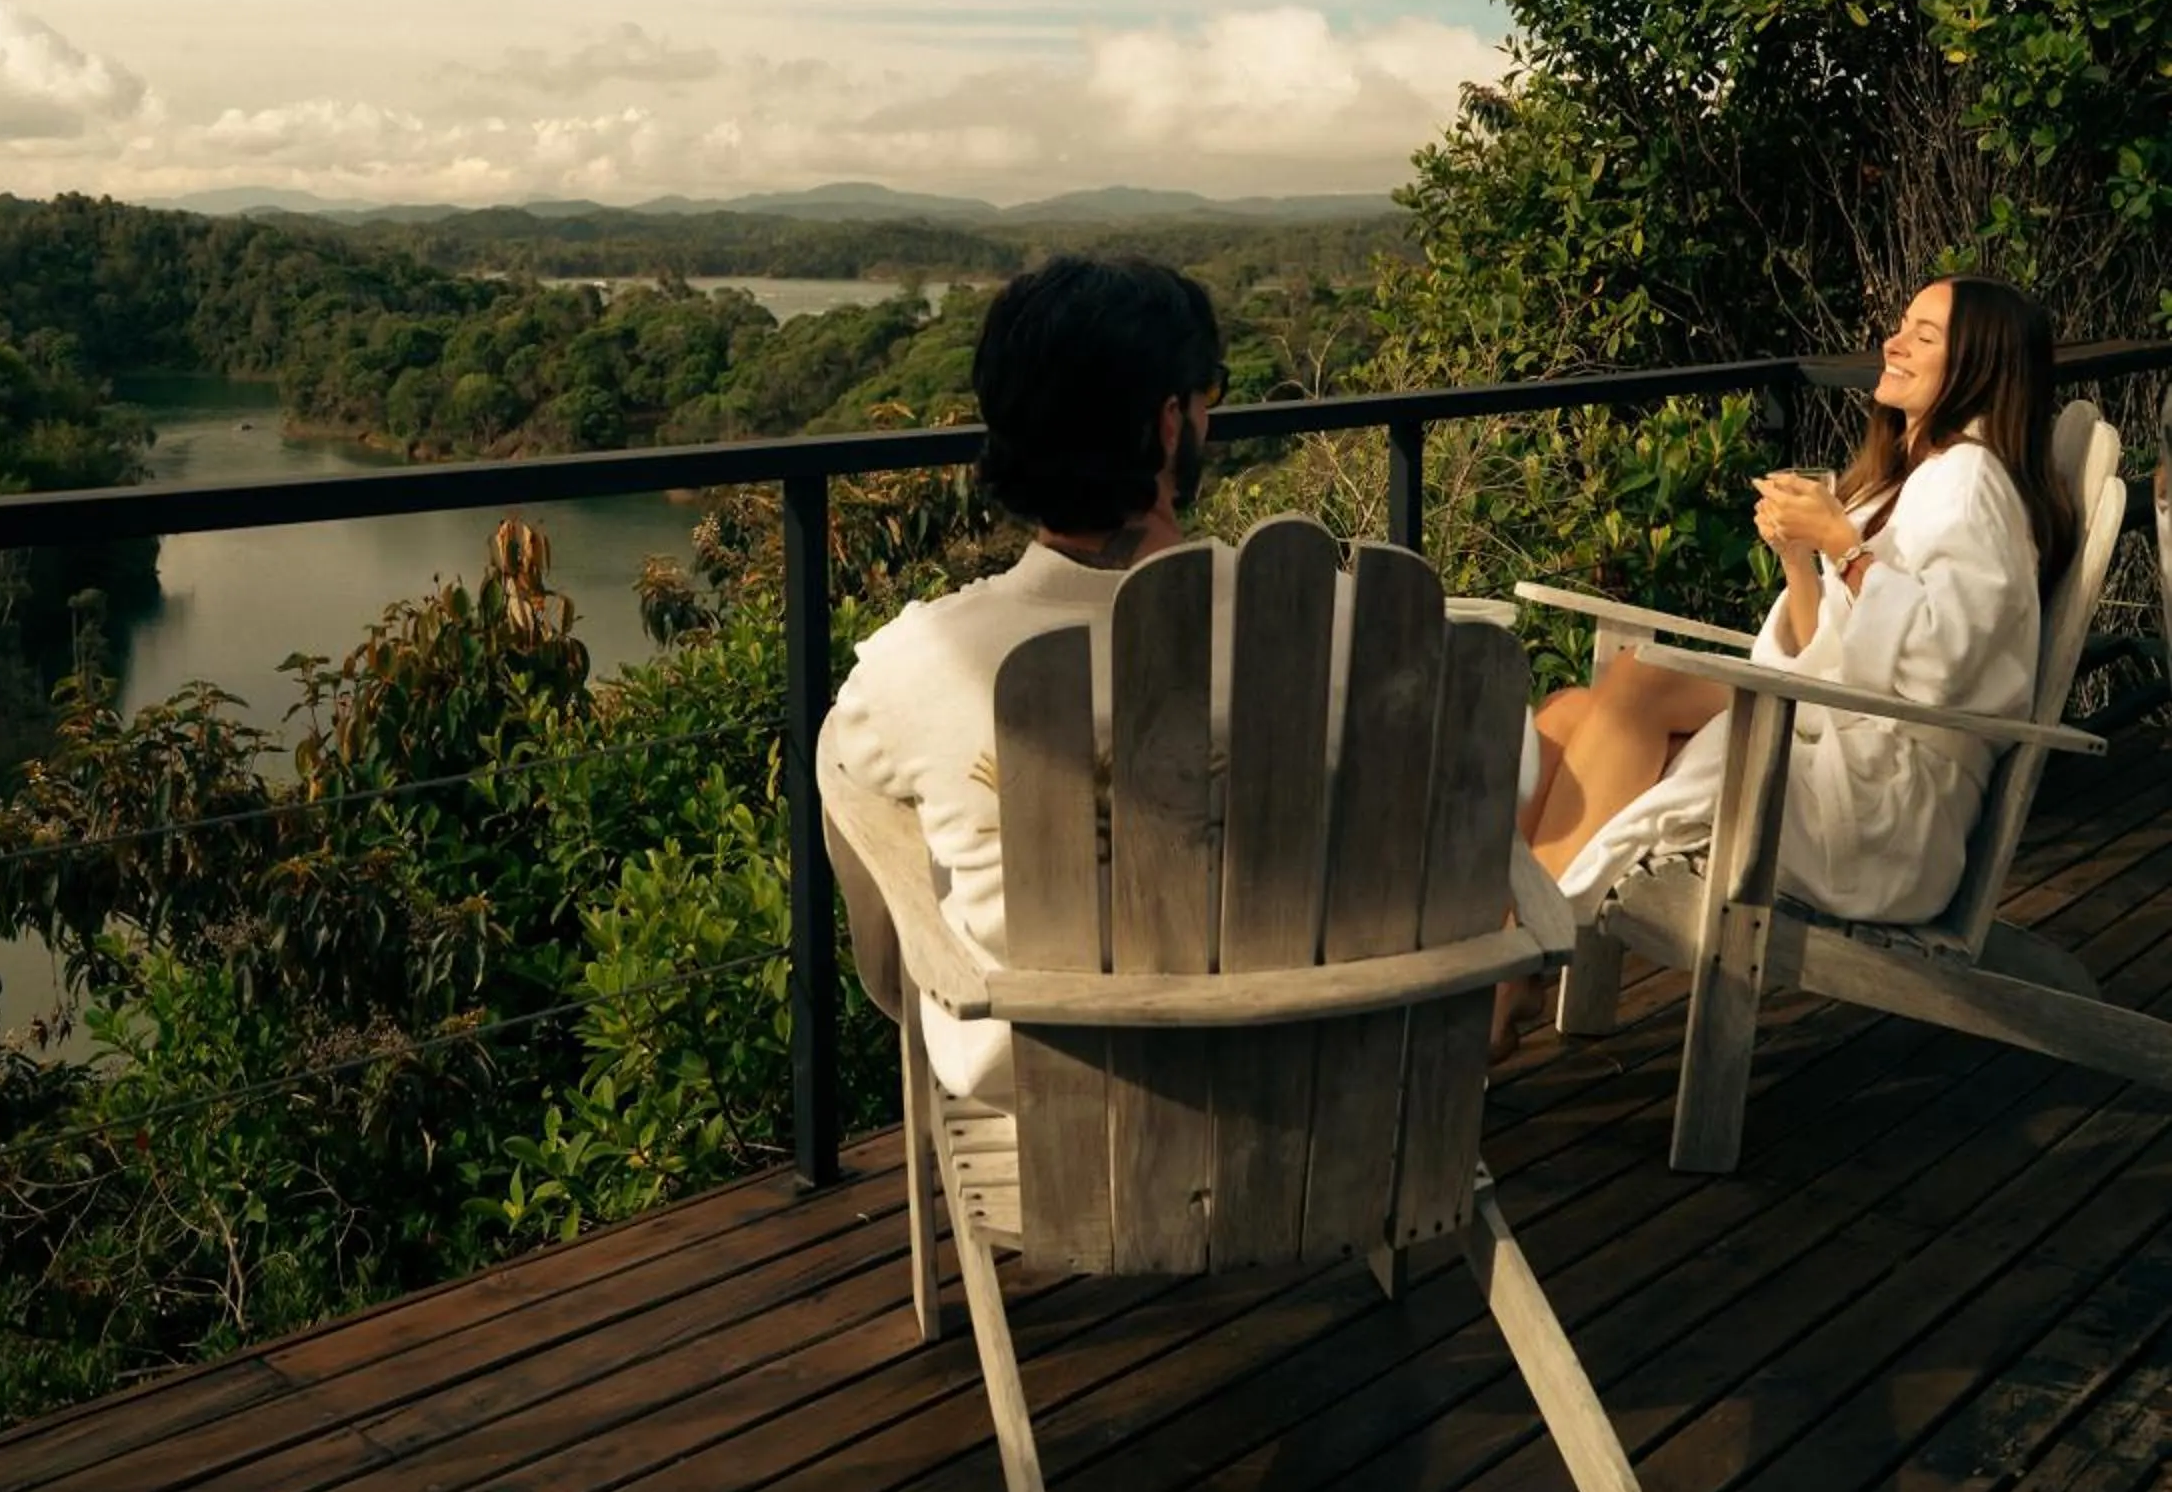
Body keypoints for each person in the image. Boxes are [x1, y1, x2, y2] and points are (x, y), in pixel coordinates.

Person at [819, 249, 1538, 1106]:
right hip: (1322, 1083)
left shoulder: (918, 664)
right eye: (1208, 394)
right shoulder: (1348, 628)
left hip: (1054, 1103)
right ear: (1170, 426)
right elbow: (1510, 765)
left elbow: (849, 777)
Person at [1525, 276, 2077, 942]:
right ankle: (1513, 945)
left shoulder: (1971, 484)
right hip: (1854, 746)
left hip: (1892, 812)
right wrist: (1797, 555)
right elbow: (1832, 652)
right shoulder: (1912, 476)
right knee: (1569, 714)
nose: (1891, 342)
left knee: (1638, 683)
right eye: (1901, 324)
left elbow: (1945, 665)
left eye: (1922, 336)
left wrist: (1843, 547)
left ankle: (1525, 957)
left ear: (1979, 368)